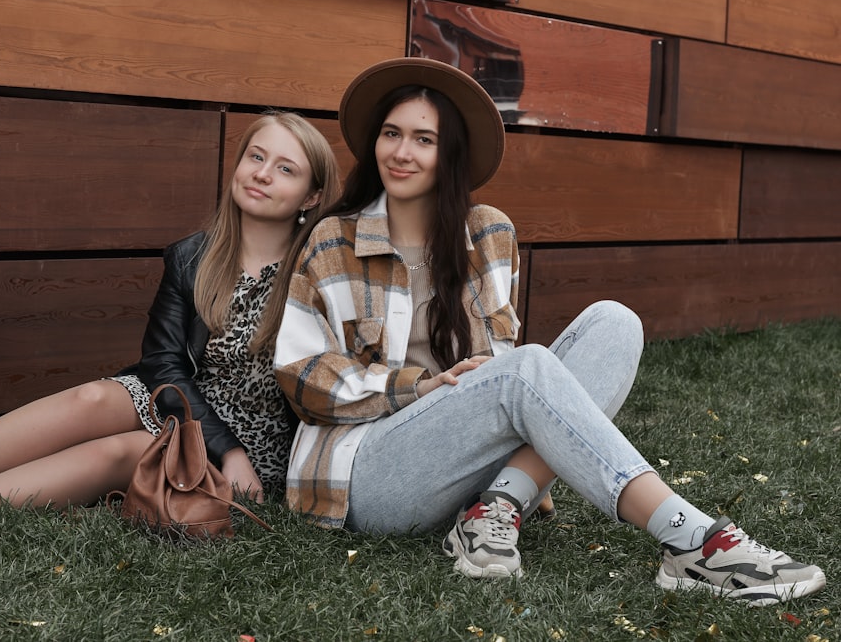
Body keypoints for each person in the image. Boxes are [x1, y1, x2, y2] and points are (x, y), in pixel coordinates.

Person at [273, 57, 826, 606]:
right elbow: (300, 376)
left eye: (424, 138)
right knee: (524, 369)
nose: (402, 152)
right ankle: (692, 540)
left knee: (616, 323)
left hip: (466, 465)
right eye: (392, 133)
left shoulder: (489, 233)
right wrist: (414, 387)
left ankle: (495, 507)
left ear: (451, 155)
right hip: (370, 477)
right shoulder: (333, 242)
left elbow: (502, 361)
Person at [0, 110, 340, 518]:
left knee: (120, 451)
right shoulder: (192, 256)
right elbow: (162, 363)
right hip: (183, 404)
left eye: (285, 168)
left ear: (312, 196)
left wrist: (232, 455)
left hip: (254, 451)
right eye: (256, 156)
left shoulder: (314, 272)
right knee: (92, 396)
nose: (261, 173)